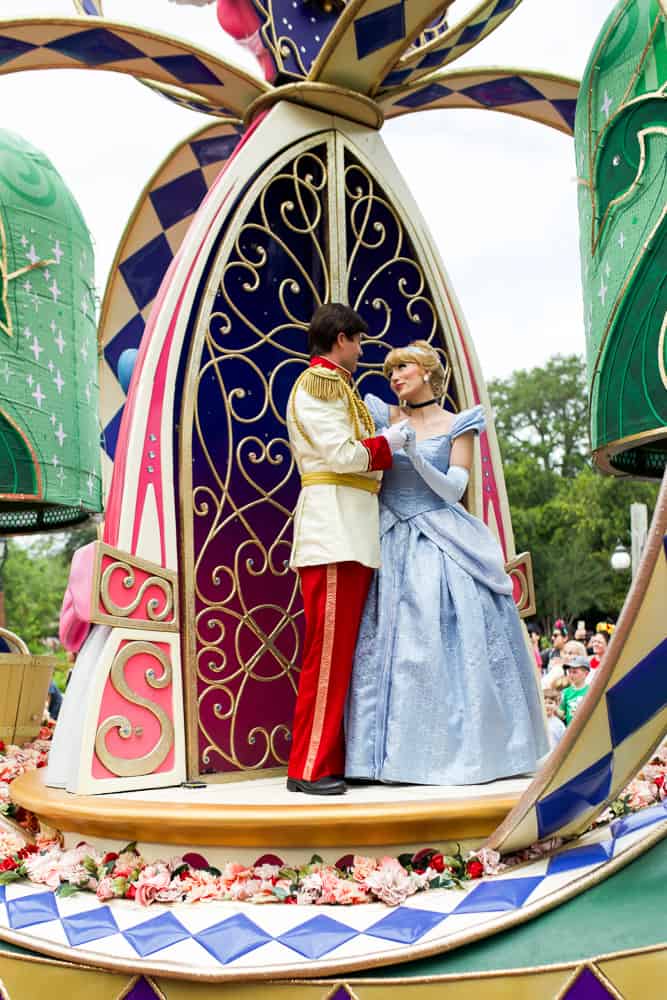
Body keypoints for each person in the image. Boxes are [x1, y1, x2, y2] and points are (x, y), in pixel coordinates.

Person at [345, 341, 549, 784]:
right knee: (389, 647)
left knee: (439, 641)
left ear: (429, 374)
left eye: (405, 368)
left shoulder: (459, 423)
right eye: (392, 369)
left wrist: (416, 457)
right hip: (387, 535)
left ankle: (447, 755)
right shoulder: (383, 415)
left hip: (438, 534)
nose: (395, 376)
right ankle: (376, 759)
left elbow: (455, 488)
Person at [285, 304, 411, 795]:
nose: (362, 350)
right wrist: (389, 444)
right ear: (340, 338)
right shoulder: (319, 385)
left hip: (348, 530)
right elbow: (342, 454)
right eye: (358, 340)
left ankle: (318, 761)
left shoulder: (338, 387)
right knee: (326, 654)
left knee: (336, 656)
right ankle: (309, 767)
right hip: (333, 530)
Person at [560, 656, 591, 724]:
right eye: (569, 672)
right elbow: (562, 713)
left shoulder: (591, 690)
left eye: (574, 672)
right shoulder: (565, 692)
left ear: (586, 673)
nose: (571, 675)